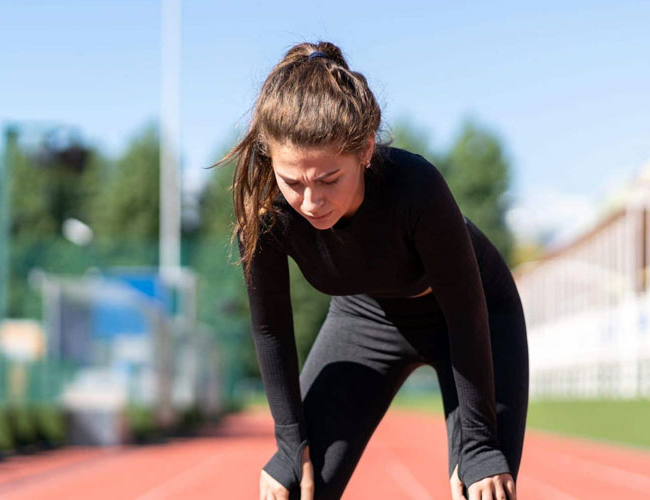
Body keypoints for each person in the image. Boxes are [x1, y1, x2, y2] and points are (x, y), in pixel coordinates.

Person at [217, 41, 529, 500]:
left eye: (328, 179)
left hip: (469, 317)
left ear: (365, 149)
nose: (310, 202)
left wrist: (479, 444)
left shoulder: (416, 188)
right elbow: (271, 330)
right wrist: (288, 442)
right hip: (365, 317)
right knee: (297, 486)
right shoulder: (264, 207)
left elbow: (466, 315)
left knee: (481, 486)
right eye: (293, 181)